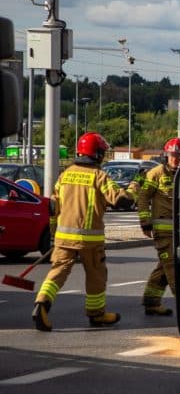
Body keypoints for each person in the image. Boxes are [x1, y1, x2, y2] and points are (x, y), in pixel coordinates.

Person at [32, 132, 133, 331]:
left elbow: (53, 206)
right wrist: (132, 190)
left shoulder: (65, 175)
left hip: (63, 237)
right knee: (96, 274)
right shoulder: (99, 176)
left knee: (58, 271)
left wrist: (53, 234)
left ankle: (42, 303)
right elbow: (120, 199)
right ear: (97, 154)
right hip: (90, 239)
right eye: (102, 152)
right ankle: (97, 314)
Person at [136, 137, 180, 315]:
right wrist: (145, 222)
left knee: (163, 268)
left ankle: (151, 302)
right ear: (166, 155)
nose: (175, 159)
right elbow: (143, 198)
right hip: (163, 231)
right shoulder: (156, 173)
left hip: (179, 230)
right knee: (173, 267)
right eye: (172, 156)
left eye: (179, 156)